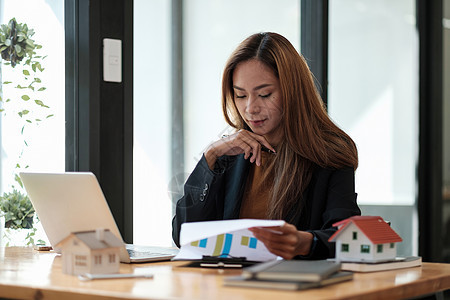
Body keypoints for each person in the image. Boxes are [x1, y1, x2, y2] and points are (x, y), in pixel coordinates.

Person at [172, 32, 360, 260]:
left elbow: (345, 236)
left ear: (292, 92)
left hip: (293, 287)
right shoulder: (227, 155)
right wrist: (210, 156)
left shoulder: (329, 154)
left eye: (264, 94)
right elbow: (182, 235)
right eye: (240, 95)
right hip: (228, 286)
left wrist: (304, 242)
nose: (251, 108)